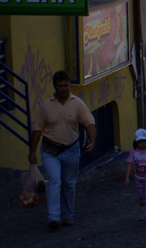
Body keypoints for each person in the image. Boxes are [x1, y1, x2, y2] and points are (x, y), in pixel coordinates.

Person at [28, 70, 97, 231]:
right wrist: (32, 151)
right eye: (60, 86)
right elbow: (37, 129)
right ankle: (53, 217)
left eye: (66, 85)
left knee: (69, 183)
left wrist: (92, 142)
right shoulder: (46, 105)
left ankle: (68, 215)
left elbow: (89, 124)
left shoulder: (77, 103)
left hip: (71, 149)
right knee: (55, 181)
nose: (64, 89)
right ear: (55, 86)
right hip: (50, 150)